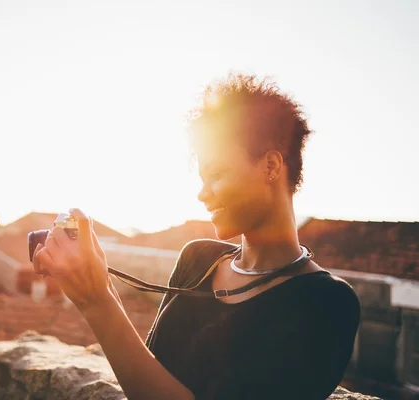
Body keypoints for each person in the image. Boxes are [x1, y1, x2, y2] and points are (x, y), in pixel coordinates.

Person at [32, 73, 361, 399]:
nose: (203, 195)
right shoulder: (199, 257)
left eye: (216, 174)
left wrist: (96, 303)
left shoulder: (327, 303)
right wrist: (95, 279)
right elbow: (149, 373)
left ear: (271, 166)